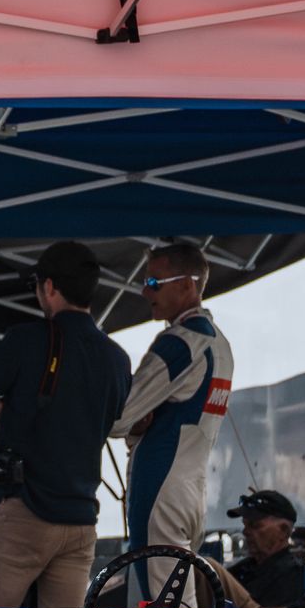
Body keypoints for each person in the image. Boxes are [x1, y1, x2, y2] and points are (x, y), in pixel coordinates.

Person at [0, 240, 133, 608]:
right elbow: (96, 420)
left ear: (49, 286)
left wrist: (6, 405)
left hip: (25, 514)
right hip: (82, 522)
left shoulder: (26, 339)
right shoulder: (117, 357)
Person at [113, 241, 237, 579]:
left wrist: (133, 423)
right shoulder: (220, 343)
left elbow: (118, 416)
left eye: (153, 282)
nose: (144, 290)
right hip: (192, 487)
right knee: (183, 606)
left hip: (159, 486)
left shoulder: (179, 341)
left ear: (187, 285)